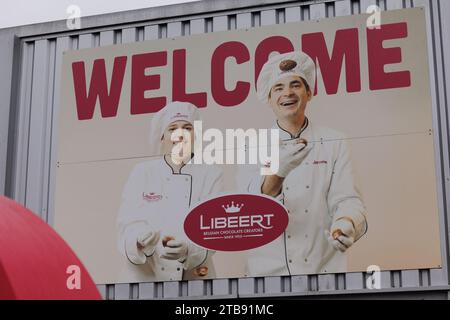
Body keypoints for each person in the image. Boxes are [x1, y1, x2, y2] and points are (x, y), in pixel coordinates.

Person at [242, 51, 368, 276]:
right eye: (278, 88)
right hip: (267, 273)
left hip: (323, 268)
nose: (287, 93)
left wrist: (347, 222)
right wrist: (279, 171)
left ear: (309, 93)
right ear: (269, 99)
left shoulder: (334, 141)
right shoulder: (251, 146)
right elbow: (250, 207)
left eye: (296, 85)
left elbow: (347, 199)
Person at [117, 101, 223, 281]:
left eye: (187, 128)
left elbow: (214, 229)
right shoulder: (143, 172)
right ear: (161, 137)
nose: (180, 134)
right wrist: (139, 238)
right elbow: (127, 221)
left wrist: (189, 249)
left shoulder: (210, 173)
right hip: (145, 277)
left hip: (194, 277)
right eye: (172, 129)